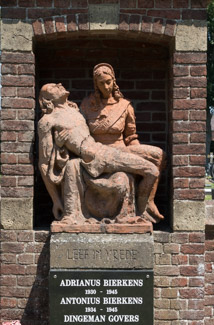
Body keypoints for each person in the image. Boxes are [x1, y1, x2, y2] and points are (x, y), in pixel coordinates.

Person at [37, 83, 161, 225]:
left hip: (104, 150)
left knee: (155, 161)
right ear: (47, 99)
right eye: (53, 87)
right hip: (95, 157)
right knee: (151, 171)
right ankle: (143, 212)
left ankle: (143, 210)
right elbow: (44, 163)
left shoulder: (74, 109)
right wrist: (56, 201)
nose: (59, 84)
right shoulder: (47, 121)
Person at [80, 63, 164, 222]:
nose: (106, 86)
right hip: (99, 153)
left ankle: (147, 202)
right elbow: (79, 132)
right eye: (101, 83)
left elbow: (131, 137)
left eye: (108, 82)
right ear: (95, 84)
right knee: (150, 169)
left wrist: (140, 154)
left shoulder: (125, 106)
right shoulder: (87, 105)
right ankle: (141, 209)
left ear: (114, 81)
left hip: (122, 150)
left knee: (159, 155)